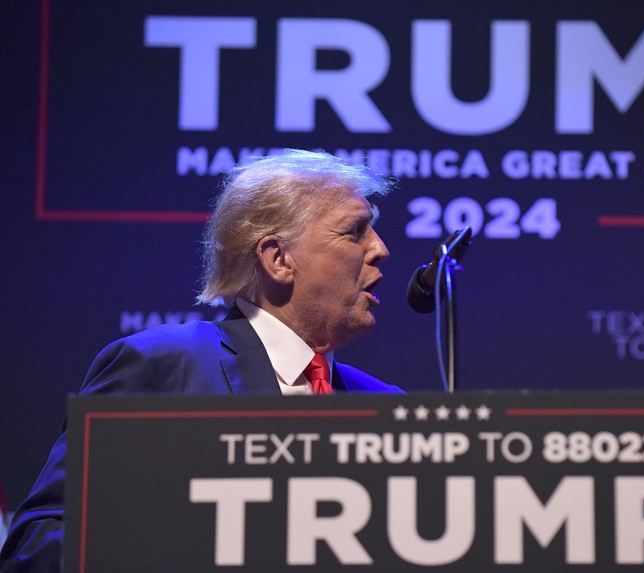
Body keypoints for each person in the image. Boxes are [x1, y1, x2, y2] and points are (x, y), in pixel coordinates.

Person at [0, 149, 404, 572]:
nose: (381, 249)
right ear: (279, 259)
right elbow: (38, 548)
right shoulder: (161, 368)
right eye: (355, 230)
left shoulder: (383, 404)